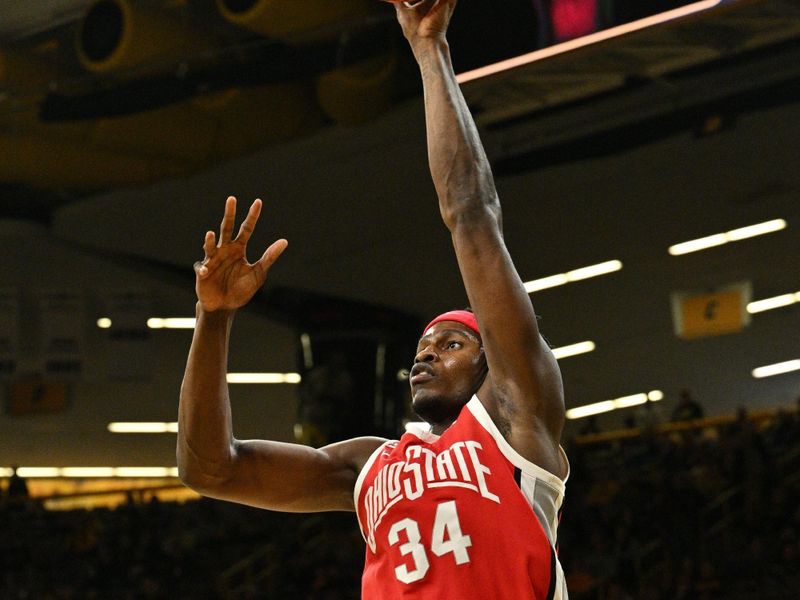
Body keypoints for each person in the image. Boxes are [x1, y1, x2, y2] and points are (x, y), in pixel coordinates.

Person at [178, 1, 569, 598]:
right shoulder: (369, 465)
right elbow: (210, 468)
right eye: (424, 344)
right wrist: (214, 319)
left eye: (452, 342)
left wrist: (428, 49)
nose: (426, 354)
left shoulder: (518, 421)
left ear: (494, 363)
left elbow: (470, 212)